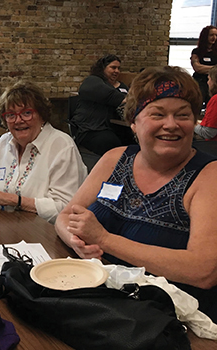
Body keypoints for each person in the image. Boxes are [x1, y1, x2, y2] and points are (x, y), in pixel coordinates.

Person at [55, 66, 217, 321]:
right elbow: (65, 215)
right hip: (99, 300)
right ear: (133, 121)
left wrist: (105, 240)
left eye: (183, 115)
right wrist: (76, 242)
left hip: (166, 321)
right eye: (158, 114)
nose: (171, 125)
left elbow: (203, 270)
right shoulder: (114, 159)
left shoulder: (209, 177)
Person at [0, 81, 87, 223]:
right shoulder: (5, 141)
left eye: (26, 113)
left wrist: (15, 200)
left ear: (42, 115)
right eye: (10, 115)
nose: (18, 120)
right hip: (5, 225)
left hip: (44, 234)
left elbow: (66, 209)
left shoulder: (62, 147)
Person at [72, 54, 132, 155]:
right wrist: (126, 99)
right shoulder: (92, 81)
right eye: (113, 67)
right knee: (113, 145)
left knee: (133, 142)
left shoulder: (122, 86)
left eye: (118, 68)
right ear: (103, 68)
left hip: (116, 126)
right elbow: (113, 97)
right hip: (92, 129)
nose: (116, 71)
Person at [191, 25, 217, 105]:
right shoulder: (197, 52)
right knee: (198, 98)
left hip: (214, 82)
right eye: (211, 35)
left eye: (216, 35)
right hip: (200, 81)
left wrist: (205, 68)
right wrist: (215, 69)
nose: (214, 37)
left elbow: (201, 67)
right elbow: (197, 68)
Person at [195, 65, 217, 140]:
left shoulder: (215, 100)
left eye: (209, 79)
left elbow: (208, 133)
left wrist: (192, 124)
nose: (208, 83)